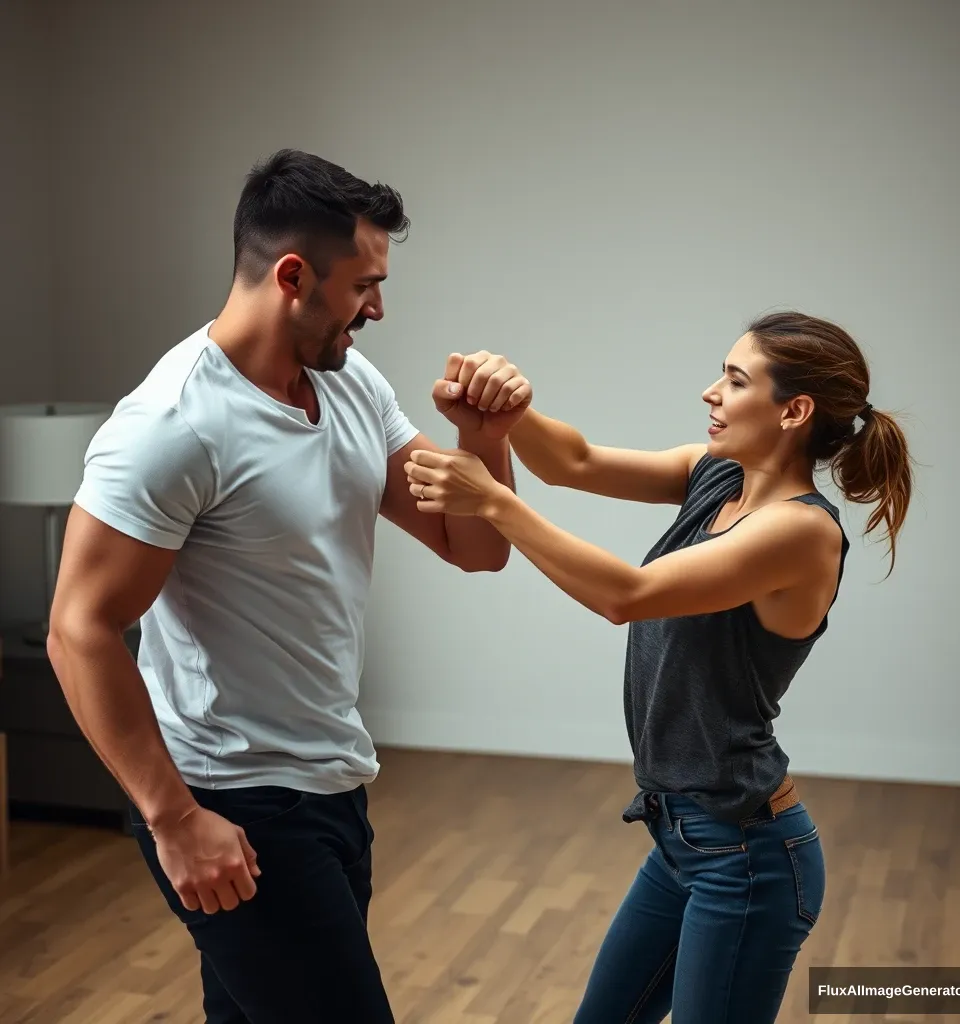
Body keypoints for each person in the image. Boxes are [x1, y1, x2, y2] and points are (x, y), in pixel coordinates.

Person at [46, 149, 533, 1024]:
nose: (380, 307)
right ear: (294, 275)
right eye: (365, 286)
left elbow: (474, 548)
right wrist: (173, 820)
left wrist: (483, 439)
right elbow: (77, 629)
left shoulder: (351, 387)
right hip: (231, 801)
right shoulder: (173, 426)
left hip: (335, 783)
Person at [403, 311, 913, 1023]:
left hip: (747, 857)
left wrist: (493, 501)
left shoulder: (800, 532)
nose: (711, 392)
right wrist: (505, 411)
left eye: (735, 380)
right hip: (682, 842)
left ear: (794, 410)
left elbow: (627, 597)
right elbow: (572, 462)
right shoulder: (716, 477)